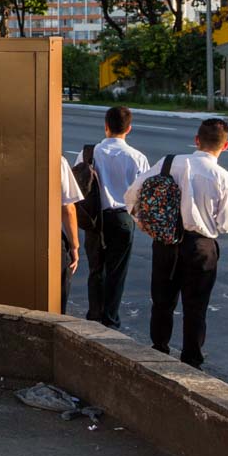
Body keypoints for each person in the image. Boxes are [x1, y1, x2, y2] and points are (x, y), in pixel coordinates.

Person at [127, 117, 228, 369]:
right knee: (196, 306)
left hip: (165, 242)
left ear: (196, 140)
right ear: (226, 145)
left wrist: (146, 225)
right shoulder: (224, 178)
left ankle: (158, 350)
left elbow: (132, 194)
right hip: (201, 247)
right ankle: (191, 358)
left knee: (162, 301)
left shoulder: (168, 163)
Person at [75, 106, 150, 329]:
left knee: (95, 268)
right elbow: (141, 194)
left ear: (106, 126)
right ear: (129, 129)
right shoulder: (137, 157)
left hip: (94, 217)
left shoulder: (88, 153)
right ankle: (110, 319)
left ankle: (94, 315)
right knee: (117, 272)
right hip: (122, 218)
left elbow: (78, 186)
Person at [58, 156, 83, 313]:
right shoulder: (57, 160)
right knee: (57, 293)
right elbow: (68, 208)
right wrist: (74, 245)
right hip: (50, 235)